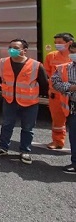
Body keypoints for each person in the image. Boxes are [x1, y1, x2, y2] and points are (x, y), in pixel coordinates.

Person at [0, 39, 49, 164]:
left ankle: (25, 151)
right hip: (9, 100)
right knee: (6, 125)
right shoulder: (2, 62)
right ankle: (3, 148)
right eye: (10, 47)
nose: (12, 50)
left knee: (28, 128)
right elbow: (1, 79)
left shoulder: (36, 65)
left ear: (25, 50)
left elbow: (44, 84)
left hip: (30, 102)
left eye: (16, 48)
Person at [44, 33, 73, 149]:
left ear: (69, 43)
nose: (57, 45)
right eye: (55, 43)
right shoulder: (51, 56)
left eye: (60, 43)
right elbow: (47, 74)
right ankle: (58, 141)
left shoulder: (73, 56)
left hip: (72, 94)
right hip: (56, 94)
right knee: (57, 120)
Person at [51, 42, 76, 174]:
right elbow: (55, 83)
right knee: (74, 137)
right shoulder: (63, 68)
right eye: (73, 52)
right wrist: (71, 87)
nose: (74, 55)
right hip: (73, 108)